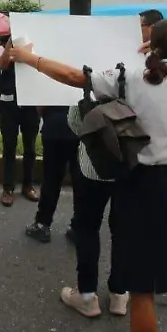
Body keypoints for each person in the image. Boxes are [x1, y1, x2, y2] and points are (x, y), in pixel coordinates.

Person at [9, 18, 167, 332]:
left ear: (151, 46)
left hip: (138, 183)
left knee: (141, 290)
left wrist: (31, 58)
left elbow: (74, 77)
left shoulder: (130, 78)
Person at [59, 104, 130, 319]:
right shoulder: (136, 80)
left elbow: (74, 121)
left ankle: (87, 297)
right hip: (128, 164)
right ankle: (119, 292)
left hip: (92, 165)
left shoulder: (89, 78)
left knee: (87, 227)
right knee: (123, 228)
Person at [0, 38, 41, 206]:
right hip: (8, 104)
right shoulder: (2, 48)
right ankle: (8, 188)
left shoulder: (34, 49)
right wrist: (10, 43)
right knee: (9, 146)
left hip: (30, 104)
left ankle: (28, 185)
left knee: (30, 147)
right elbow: (3, 64)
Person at [24, 106, 77, 243]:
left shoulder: (53, 83)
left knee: (51, 179)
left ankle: (42, 224)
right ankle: (79, 226)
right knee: (80, 180)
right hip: (81, 127)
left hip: (55, 127)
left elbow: (40, 107)